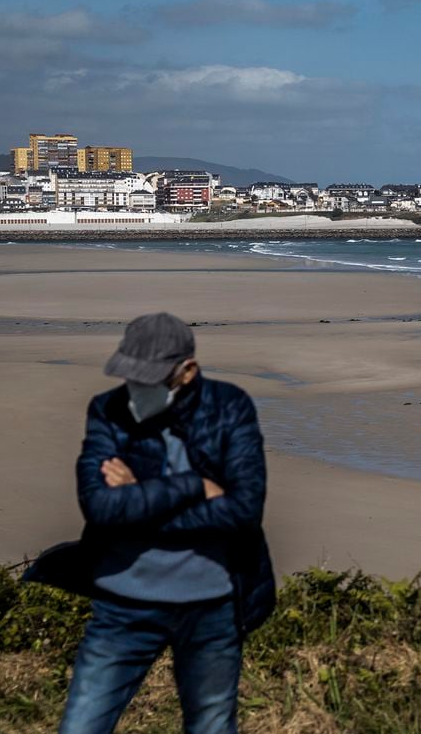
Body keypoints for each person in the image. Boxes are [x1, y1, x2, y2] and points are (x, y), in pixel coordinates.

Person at [24, 311, 275, 734]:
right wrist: (193, 485)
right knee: (81, 725)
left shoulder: (230, 408)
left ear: (187, 371)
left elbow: (243, 512)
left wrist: (139, 495)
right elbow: (101, 508)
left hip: (213, 604)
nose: (136, 388)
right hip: (122, 604)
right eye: (131, 376)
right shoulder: (107, 410)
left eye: (149, 378)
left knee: (212, 726)